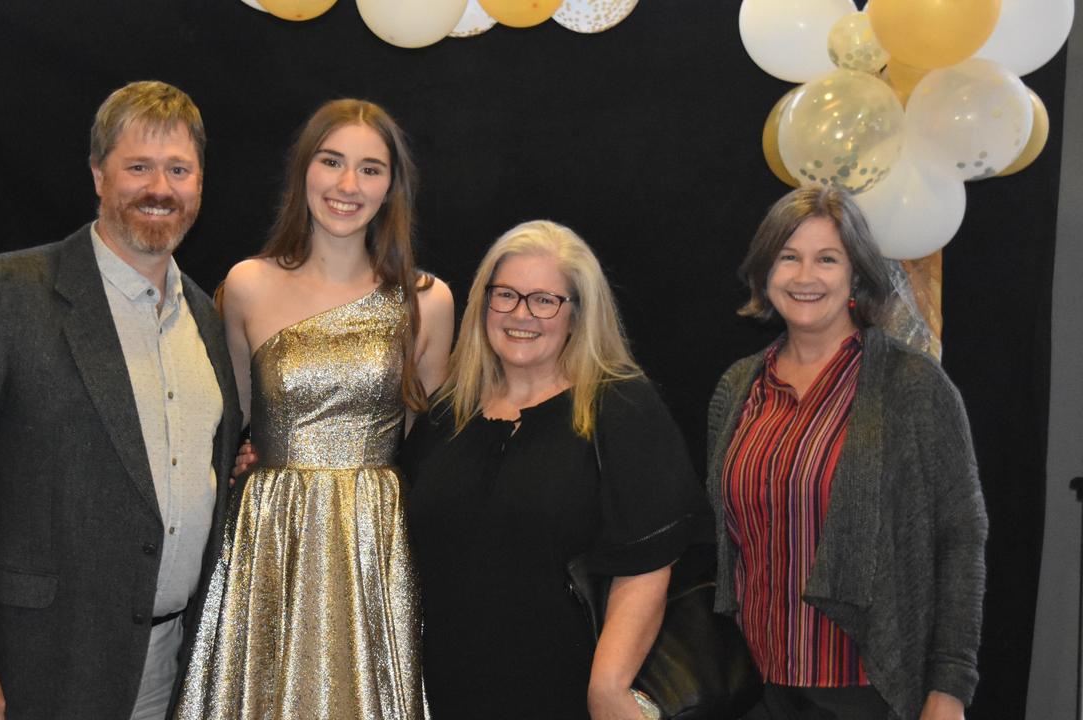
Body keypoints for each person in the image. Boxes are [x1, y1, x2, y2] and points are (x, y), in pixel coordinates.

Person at [0, 81, 241, 720]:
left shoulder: (207, 318)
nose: (159, 189)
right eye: (137, 167)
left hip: (171, 665)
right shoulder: (0, 296)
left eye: (178, 170)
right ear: (98, 175)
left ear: (199, 184)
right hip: (32, 669)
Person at [173, 99, 453, 720]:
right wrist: (248, 458)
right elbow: (227, 425)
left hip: (372, 543)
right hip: (268, 538)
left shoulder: (427, 302)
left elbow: (431, 443)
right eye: (332, 162)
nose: (348, 185)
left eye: (370, 169)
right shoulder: (246, 284)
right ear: (305, 171)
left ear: (392, 187)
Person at [399, 220, 713, 720]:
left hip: (567, 694)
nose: (522, 314)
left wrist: (608, 689)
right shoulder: (448, 412)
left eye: (545, 300)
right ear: (484, 304)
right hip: (444, 690)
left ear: (577, 315)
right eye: (506, 295)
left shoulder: (621, 406)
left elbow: (648, 564)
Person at [707, 186, 988, 720]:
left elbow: (960, 539)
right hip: (756, 686)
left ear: (856, 274)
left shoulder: (911, 385)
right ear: (765, 273)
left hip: (866, 687)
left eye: (827, 259)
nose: (805, 276)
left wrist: (949, 689)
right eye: (788, 257)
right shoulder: (737, 388)